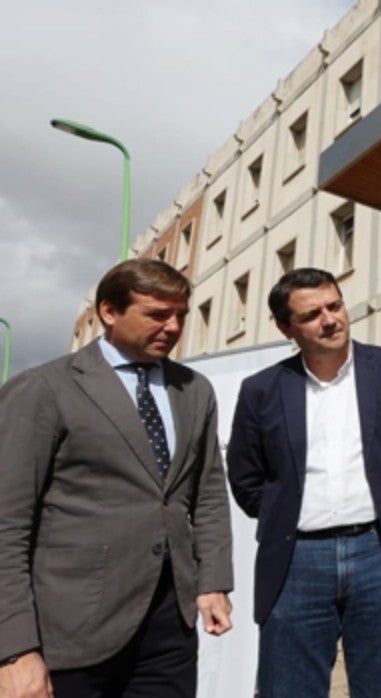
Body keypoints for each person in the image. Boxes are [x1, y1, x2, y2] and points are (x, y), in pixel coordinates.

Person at [0, 259, 233, 698]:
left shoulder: (194, 390)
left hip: (169, 626)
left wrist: (213, 581)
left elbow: (208, 493)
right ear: (109, 311)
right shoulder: (44, 388)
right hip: (70, 626)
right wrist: (13, 650)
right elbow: (6, 523)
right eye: (157, 314)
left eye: (180, 315)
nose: (173, 326)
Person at [226, 268, 381, 698]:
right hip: (296, 560)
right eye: (312, 315)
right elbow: (245, 477)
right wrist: (285, 514)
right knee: (289, 689)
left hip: (379, 553)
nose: (330, 320)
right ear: (287, 328)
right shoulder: (261, 390)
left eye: (334, 306)